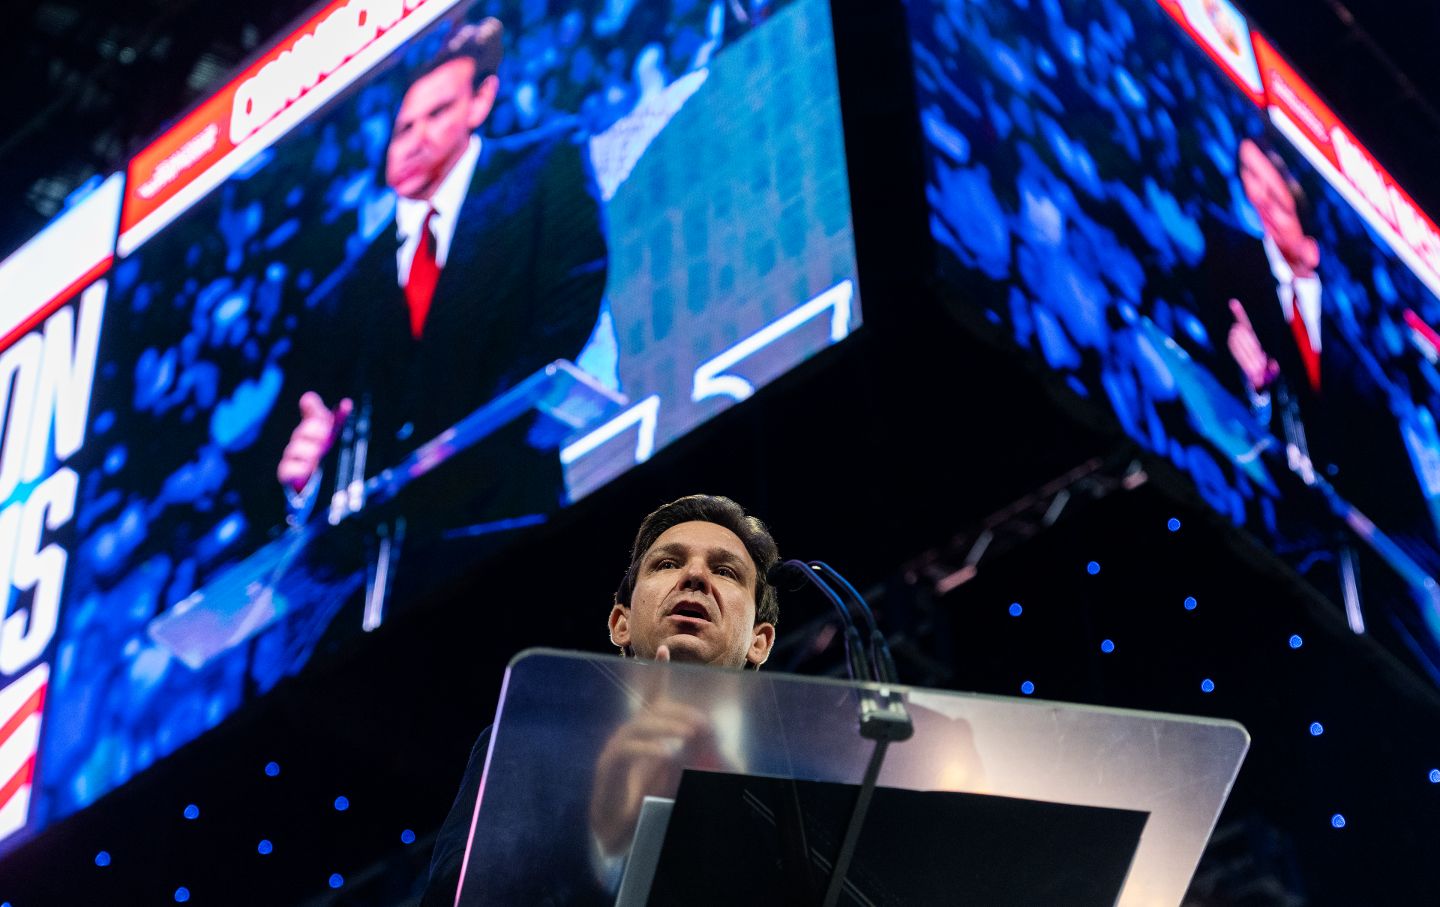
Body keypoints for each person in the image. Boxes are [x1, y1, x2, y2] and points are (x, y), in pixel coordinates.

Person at [275, 16, 608, 595]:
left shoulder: (545, 166)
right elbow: (321, 428)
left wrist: (469, 453)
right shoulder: (343, 293)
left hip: (514, 520)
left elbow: (569, 303)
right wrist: (306, 481)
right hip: (384, 576)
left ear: (481, 101)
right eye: (404, 126)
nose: (416, 139)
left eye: (437, 115)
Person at [419, 493, 781, 905]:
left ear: (760, 641)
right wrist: (597, 844)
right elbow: (452, 896)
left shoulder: (798, 776)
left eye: (725, 571)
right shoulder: (525, 747)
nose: (695, 577)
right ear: (620, 623)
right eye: (667, 563)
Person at [1193, 133, 1436, 560]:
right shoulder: (1232, 273)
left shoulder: (1357, 276)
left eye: (1270, 173)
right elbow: (1237, 409)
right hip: (1309, 530)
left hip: (1399, 515)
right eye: (1248, 173)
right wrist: (1258, 387)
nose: (1262, 190)